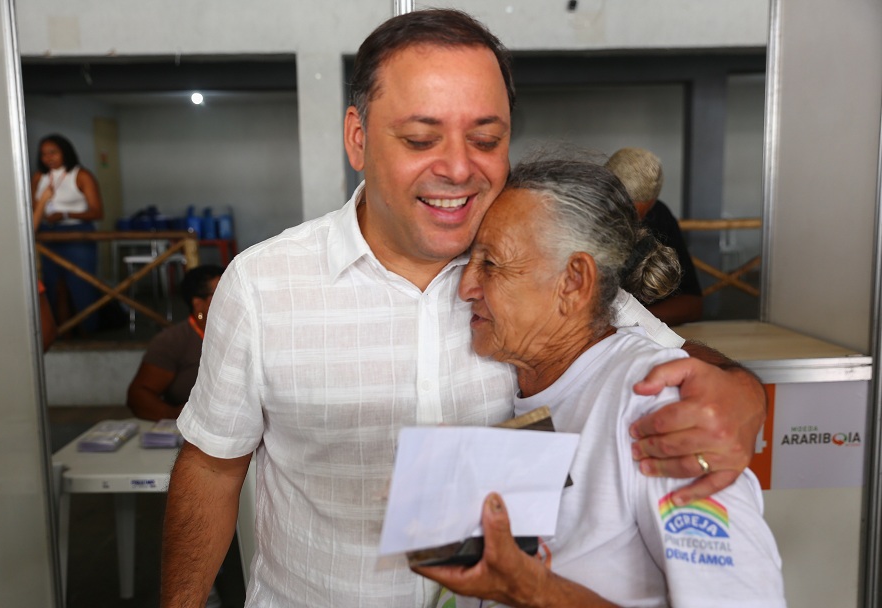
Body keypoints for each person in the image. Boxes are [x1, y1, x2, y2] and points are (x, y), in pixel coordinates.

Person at [161, 9, 767, 607]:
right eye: (421, 139)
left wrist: (742, 392)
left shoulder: (535, 271)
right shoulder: (265, 284)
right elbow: (213, 466)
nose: (457, 168)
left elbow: (652, 352)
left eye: (485, 139)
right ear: (358, 138)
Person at [416, 157, 784, 607]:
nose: (466, 287)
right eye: (467, 261)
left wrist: (534, 592)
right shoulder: (529, 387)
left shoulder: (657, 411)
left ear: (574, 282)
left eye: (491, 264)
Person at [606, 147, 703, 325]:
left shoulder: (659, 216)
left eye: (637, 216)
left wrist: (635, 321)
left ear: (652, 204)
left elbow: (692, 303)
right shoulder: (580, 221)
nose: (628, 223)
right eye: (619, 212)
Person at [126, 265, 224, 421]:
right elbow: (139, 395)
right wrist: (176, 416)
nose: (234, 300)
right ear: (198, 304)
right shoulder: (173, 341)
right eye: (223, 294)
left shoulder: (248, 333)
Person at [32, 133, 104, 335]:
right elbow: (33, 209)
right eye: (44, 154)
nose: (48, 158)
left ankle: (89, 333)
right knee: (53, 286)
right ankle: (61, 334)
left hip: (76, 233)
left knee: (81, 285)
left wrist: (65, 214)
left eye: (53, 152)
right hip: (47, 234)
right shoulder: (39, 177)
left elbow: (97, 211)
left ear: (65, 152)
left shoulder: (81, 175)